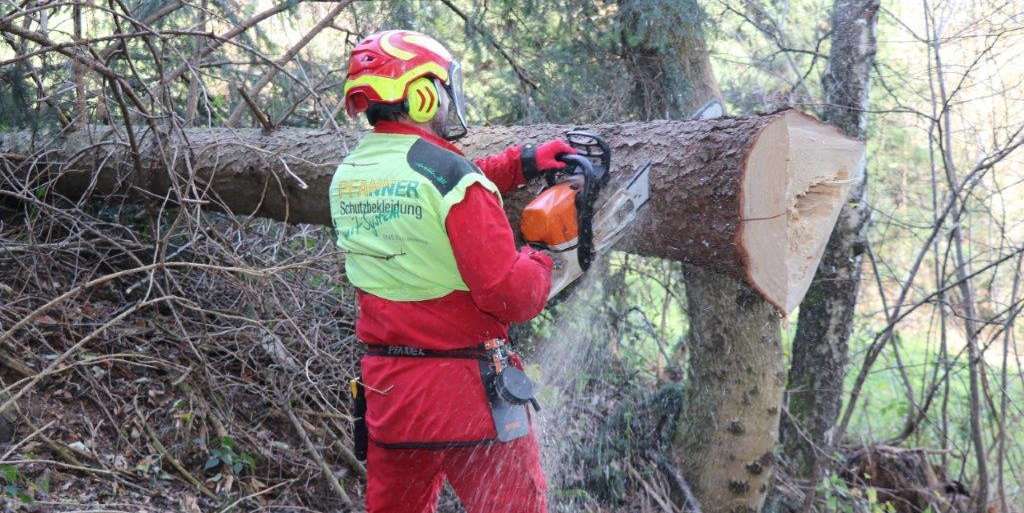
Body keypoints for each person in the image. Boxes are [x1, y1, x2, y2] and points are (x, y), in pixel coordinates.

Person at [329, 30, 575, 513]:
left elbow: (432, 190)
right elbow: (511, 296)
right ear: (422, 94)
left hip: (392, 399)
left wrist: (520, 164)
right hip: (468, 402)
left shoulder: (352, 173)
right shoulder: (453, 179)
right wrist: (545, 254)